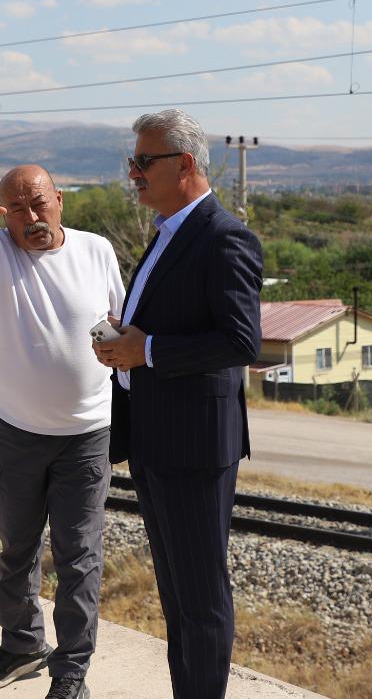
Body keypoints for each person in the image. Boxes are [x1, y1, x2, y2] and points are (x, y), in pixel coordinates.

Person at [90, 109, 262, 699]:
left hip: (193, 446)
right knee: (176, 596)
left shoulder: (224, 238)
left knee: (201, 598)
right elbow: (162, 328)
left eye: (143, 161)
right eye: (132, 162)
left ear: (185, 164)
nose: (133, 173)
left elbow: (242, 341)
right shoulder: (167, 232)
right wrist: (125, 341)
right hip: (157, 440)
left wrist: (149, 349)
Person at [0, 164, 124, 699]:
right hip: (17, 430)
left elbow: (116, 321)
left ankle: (70, 675)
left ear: (59, 199)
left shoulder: (97, 250)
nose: (30, 217)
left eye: (38, 203)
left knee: (79, 556)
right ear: (3, 212)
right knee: (16, 550)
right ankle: (21, 646)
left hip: (88, 433)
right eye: (16, 208)